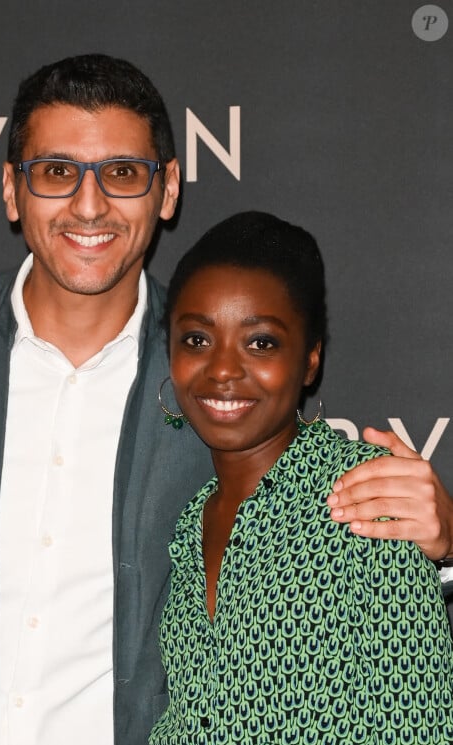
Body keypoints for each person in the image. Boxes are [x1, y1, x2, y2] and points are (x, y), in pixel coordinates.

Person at [0, 54, 451, 745]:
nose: (90, 205)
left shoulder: (213, 382)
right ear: (11, 190)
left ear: (168, 189)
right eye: (57, 172)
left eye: (122, 173)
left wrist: (442, 540)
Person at [150, 211, 453, 745]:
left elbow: (418, 723)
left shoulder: (363, 501)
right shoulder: (189, 523)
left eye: (260, 342)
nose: (221, 369)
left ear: (310, 359)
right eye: (196, 339)